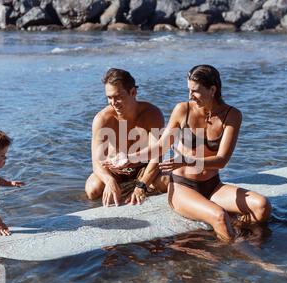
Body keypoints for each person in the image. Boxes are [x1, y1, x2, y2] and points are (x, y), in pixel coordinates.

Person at [107, 65, 272, 241]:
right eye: (188, 90)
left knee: (263, 207)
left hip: (212, 185)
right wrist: (130, 157)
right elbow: (162, 146)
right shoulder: (182, 110)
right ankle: (243, 259)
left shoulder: (232, 115)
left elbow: (222, 160)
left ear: (213, 90)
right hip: (182, 187)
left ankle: (238, 237)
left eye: (195, 91)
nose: (190, 96)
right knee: (219, 216)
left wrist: (186, 160)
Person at [85, 68, 169, 207]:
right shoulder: (102, 119)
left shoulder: (152, 114)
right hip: (114, 170)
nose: (113, 102)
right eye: (109, 97)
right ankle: (124, 188)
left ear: (133, 92)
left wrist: (142, 185)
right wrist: (109, 180)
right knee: (92, 190)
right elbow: (96, 162)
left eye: (118, 96)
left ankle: (138, 188)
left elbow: (157, 156)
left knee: (166, 182)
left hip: (142, 167)